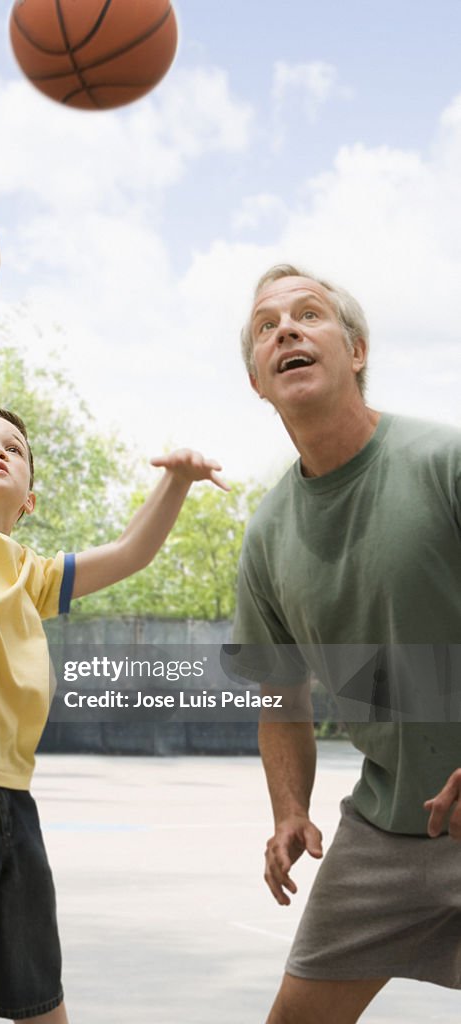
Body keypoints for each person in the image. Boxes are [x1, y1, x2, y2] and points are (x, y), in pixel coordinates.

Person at [0, 216, 227, 1024]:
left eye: (13, 448)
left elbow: (128, 553)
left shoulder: (28, 572)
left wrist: (178, 484)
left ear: (28, 497)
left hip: (8, 798)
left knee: (40, 1001)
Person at [229, 264, 461, 1023]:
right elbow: (281, 696)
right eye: (266, 327)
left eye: (307, 315)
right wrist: (288, 809)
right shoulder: (266, 536)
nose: (285, 330)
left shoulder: (443, 462)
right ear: (259, 382)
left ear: (355, 351)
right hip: (382, 831)